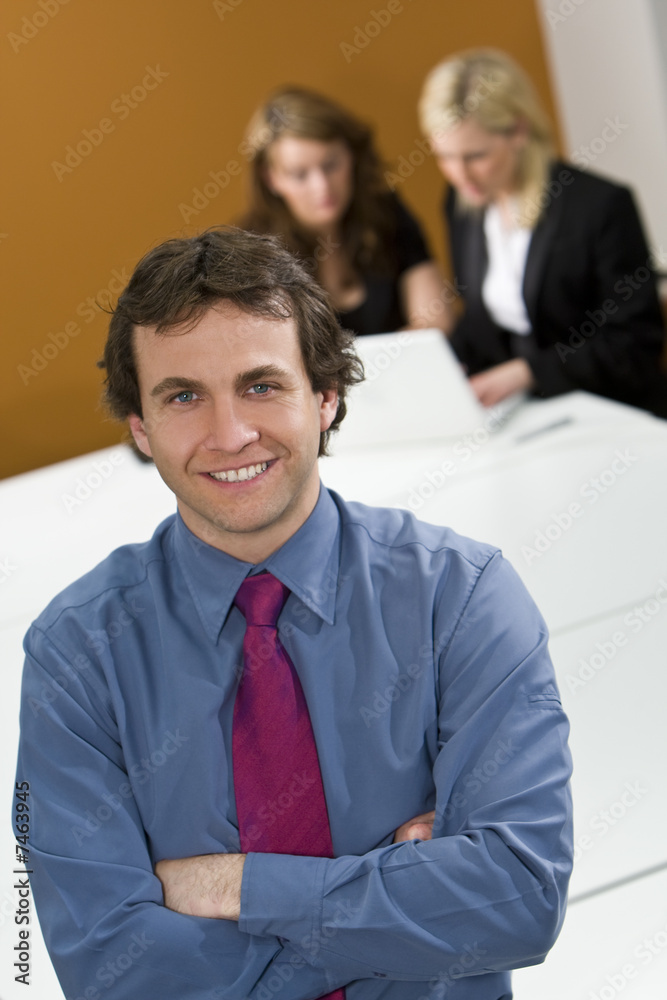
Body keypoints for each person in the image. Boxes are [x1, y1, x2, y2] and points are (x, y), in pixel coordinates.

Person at [15, 227, 572, 1000]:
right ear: (140, 427)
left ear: (325, 398)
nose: (229, 435)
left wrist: (240, 888)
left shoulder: (461, 598)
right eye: (183, 396)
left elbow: (517, 899)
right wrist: (400, 903)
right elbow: (113, 970)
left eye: (261, 386)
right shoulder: (74, 655)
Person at [418, 48, 667, 415]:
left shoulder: (600, 206)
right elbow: (479, 321)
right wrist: (434, 365)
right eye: (444, 156)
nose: (459, 175)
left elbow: (634, 345)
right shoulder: (462, 204)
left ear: (519, 130)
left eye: (476, 156)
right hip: (526, 411)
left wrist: (529, 372)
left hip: (611, 409)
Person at [240, 85, 451, 336]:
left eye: (331, 164)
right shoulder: (253, 255)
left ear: (351, 154)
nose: (322, 186)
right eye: (300, 174)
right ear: (271, 178)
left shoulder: (386, 214)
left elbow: (436, 322)